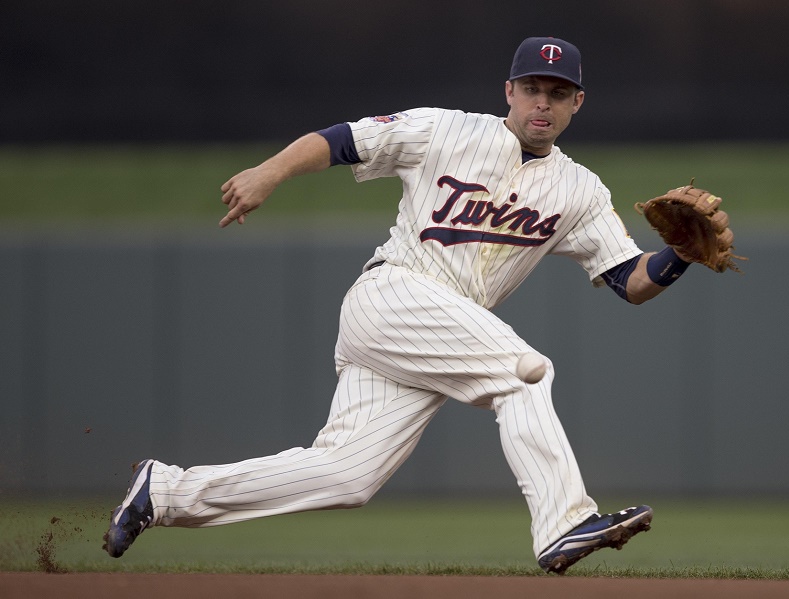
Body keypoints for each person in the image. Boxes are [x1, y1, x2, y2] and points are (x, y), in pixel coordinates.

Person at [104, 36, 696, 575]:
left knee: (346, 475)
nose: (544, 103)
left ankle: (164, 493)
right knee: (525, 372)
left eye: (558, 93)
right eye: (533, 89)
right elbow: (346, 140)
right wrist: (271, 171)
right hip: (396, 294)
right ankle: (563, 523)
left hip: (442, 331)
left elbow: (628, 279)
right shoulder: (446, 130)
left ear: (577, 103)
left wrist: (680, 254)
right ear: (509, 92)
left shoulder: (581, 189)